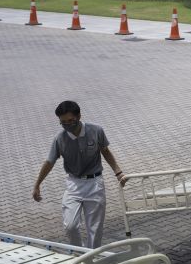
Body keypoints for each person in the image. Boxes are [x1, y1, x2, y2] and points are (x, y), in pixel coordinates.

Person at [32, 100, 127, 249]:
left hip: (94, 183)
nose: (67, 125)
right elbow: (49, 162)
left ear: (79, 116)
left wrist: (118, 172)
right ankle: (79, 253)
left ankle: (91, 259)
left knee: (94, 229)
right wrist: (37, 184)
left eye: (71, 120)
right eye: (63, 122)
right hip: (74, 184)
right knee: (70, 225)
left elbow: (105, 151)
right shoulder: (60, 139)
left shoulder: (96, 131)